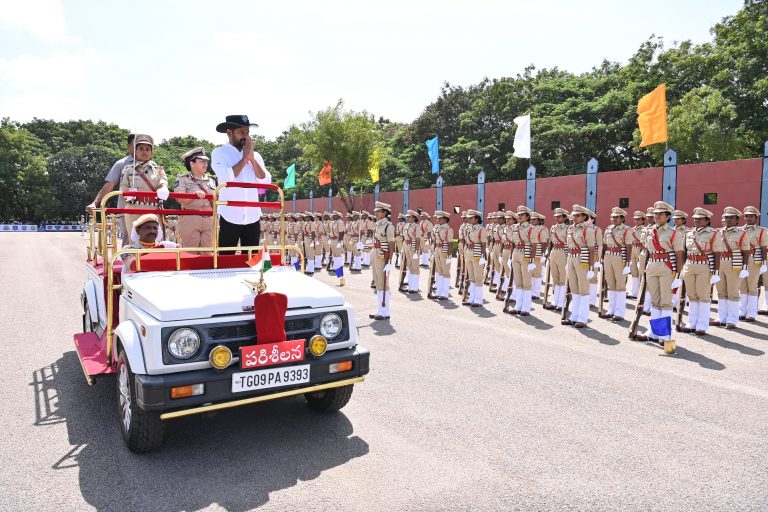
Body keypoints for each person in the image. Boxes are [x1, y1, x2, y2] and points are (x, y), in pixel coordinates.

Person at [211, 115, 272, 253]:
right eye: (241, 132)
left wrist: (252, 159)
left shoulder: (256, 156)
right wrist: (244, 159)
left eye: (247, 132)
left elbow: (266, 181)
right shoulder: (219, 153)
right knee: (226, 259)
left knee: (252, 260)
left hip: (253, 215)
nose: (245, 136)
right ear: (229, 133)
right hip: (229, 215)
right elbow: (226, 177)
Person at [634, 201, 685, 343]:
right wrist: (642, 266)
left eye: (660, 214)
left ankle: (665, 335)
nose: (657, 216)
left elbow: (679, 254)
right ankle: (654, 332)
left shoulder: (673, 233)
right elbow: (646, 250)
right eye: (655, 214)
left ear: (668, 217)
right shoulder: (648, 231)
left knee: (666, 302)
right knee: (655, 301)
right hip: (651, 265)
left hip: (666, 266)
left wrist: (679, 275)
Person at [87, 133, 135, 246]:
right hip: (127, 209)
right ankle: (127, 263)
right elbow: (109, 185)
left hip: (149, 209)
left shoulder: (153, 165)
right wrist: (95, 203)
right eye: (136, 145)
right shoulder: (121, 163)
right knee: (129, 239)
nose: (141, 149)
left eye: (145, 147)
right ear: (128, 146)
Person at [680, 208, 722, 335]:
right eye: (695, 219)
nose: (696, 221)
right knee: (692, 295)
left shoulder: (713, 234)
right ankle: (692, 322)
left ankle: (702, 324)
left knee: (702, 296)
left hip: (704, 266)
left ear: (707, 220)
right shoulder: (688, 233)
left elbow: (717, 254)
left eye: (700, 219)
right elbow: (683, 252)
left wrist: (716, 272)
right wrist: (682, 268)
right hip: (689, 265)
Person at [118, 134, 169, 236]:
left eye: (147, 149)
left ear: (151, 152)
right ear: (135, 151)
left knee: (153, 242)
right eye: (140, 149)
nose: (144, 152)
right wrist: (127, 194)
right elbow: (123, 188)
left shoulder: (158, 170)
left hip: (153, 209)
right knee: (134, 243)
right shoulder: (128, 170)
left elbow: (163, 183)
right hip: (134, 209)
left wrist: (163, 188)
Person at [713, 207, 750, 329]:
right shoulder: (718, 232)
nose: (728, 220)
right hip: (720, 263)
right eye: (726, 217)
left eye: (731, 217)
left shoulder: (742, 233)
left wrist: (745, 268)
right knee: (721, 291)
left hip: (734, 264)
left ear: (737, 220)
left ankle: (732, 319)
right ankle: (722, 317)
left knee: (733, 292)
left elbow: (746, 252)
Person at [174, 147, 216, 249]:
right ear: (192, 164)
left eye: (206, 161)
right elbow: (179, 199)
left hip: (209, 219)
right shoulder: (182, 179)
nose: (205, 164)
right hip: (190, 218)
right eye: (202, 161)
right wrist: (194, 195)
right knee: (190, 253)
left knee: (207, 254)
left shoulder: (212, 180)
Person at [562, 205, 597, 328]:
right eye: (574, 215)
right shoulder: (570, 229)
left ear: (584, 217)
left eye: (578, 215)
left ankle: (583, 318)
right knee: (574, 289)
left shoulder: (588, 230)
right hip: (571, 258)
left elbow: (592, 250)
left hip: (582, 259)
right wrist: (567, 261)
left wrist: (591, 268)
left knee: (583, 289)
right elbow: (568, 246)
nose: (575, 217)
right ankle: (574, 316)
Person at [600, 207, 631, 321]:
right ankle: (611, 310)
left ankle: (619, 312)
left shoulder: (627, 230)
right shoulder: (608, 229)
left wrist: (628, 263)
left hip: (619, 257)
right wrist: (602, 258)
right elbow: (604, 245)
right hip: (608, 256)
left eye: (617, 217)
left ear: (622, 218)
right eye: (613, 217)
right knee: (611, 283)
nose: (614, 219)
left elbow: (628, 247)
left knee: (620, 285)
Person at [740, 206, 768, 321]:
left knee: (752, 286)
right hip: (740, 260)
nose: (748, 218)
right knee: (742, 286)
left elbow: (763, 248)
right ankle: (742, 311)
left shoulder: (761, 231)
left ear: (756, 218)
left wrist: (763, 263)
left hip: (754, 260)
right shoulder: (739, 230)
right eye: (746, 216)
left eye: (751, 216)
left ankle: (751, 313)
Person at [369, 202, 396, 320]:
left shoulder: (388, 226)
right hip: (375, 253)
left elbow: (391, 244)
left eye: (378, 211)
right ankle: (380, 309)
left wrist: (390, 261)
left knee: (383, 282)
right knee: (377, 281)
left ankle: (385, 311)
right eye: (376, 211)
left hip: (382, 255)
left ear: (384, 213)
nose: (376, 213)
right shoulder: (377, 225)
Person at [545, 208, 569, 312]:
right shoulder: (553, 228)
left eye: (559, 217)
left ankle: (561, 302)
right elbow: (550, 242)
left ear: (564, 217)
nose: (557, 218)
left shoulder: (568, 228)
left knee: (562, 278)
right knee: (555, 278)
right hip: (554, 251)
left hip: (563, 252)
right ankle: (555, 301)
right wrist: (548, 254)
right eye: (556, 217)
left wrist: (568, 257)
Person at [463, 209, 488, 307]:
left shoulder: (481, 230)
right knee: (471, 277)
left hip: (477, 253)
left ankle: (478, 299)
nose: (469, 219)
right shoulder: (468, 228)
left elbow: (483, 244)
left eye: (471, 218)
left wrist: (482, 256)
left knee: (478, 277)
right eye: (468, 218)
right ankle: (471, 298)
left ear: (477, 219)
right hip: (468, 253)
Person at [432, 211, 454, 300]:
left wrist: (449, 255)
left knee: (445, 272)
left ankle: (445, 293)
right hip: (437, 249)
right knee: (439, 271)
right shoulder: (437, 228)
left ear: (445, 219)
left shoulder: (448, 229)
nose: (438, 220)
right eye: (438, 218)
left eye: (440, 218)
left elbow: (450, 243)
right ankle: (439, 291)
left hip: (444, 250)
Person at [628, 210, 646, 299]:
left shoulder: (644, 230)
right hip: (633, 249)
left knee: (640, 270)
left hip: (640, 249)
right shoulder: (632, 229)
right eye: (635, 219)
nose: (637, 221)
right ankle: (633, 292)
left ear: (643, 220)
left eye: (639, 219)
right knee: (633, 271)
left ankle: (640, 291)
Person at [402, 210, 421, 293]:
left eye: (409, 217)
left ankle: (415, 287)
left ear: (414, 218)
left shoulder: (416, 227)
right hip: (407, 246)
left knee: (415, 267)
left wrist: (416, 250)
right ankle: (410, 286)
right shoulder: (406, 226)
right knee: (409, 266)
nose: (407, 218)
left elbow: (418, 239)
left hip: (413, 247)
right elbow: (405, 238)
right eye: (407, 217)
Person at [329, 211, 346, 286]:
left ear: (338, 216)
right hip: (332, 239)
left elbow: (341, 232)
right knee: (334, 254)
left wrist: (340, 241)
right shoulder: (334, 222)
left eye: (335, 215)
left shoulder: (340, 222)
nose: (333, 216)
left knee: (338, 254)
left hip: (337, 240)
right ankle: (336, 268)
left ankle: (339, 269)